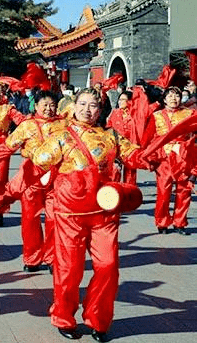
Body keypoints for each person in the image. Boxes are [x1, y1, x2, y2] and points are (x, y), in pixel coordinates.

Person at [31, 88, 146, 341]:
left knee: (108, 266)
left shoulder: (111, 137)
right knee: (69, 269)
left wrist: (151, 155)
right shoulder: (60, 136)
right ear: (73, 107)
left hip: (103, 214)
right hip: (69, 213)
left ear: (100, 109)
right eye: (82, 104)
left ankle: (98, 318)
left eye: (93, 105)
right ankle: (63, 316)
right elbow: (38, 158)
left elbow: (133, 155)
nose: (86, 109)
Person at [0, 90, 65, 272]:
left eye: (52, 105)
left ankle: (53, 258)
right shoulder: (27, 125)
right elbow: (8, 146)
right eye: (44, 105)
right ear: (36, 106)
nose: (49, 108)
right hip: (31, 178)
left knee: (54, 219)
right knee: (30, 219)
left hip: (56, 178)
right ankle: (32, 258)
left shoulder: (63, 124)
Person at [144, 86, 194, 235]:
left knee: (184, 191)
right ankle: (162, 222)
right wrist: (148, 156)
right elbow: (148, 137)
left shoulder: (189, 113)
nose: (174, 98)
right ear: (164, 99)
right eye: (170, 96)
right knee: (163, 191)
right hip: (164, 158)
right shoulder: (156, 115)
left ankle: (180, 222)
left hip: (183, 156)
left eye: (177, 95)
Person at [105, 90, 139, 185]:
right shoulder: (115, 113)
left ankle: (129, 195)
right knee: (115, 171)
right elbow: (109, 128)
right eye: (119, 99)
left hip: (131, 147)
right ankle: (114, 193)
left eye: (123, 99)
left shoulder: (135, 115)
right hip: (117, 146)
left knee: (130, 174)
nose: (120, 101)